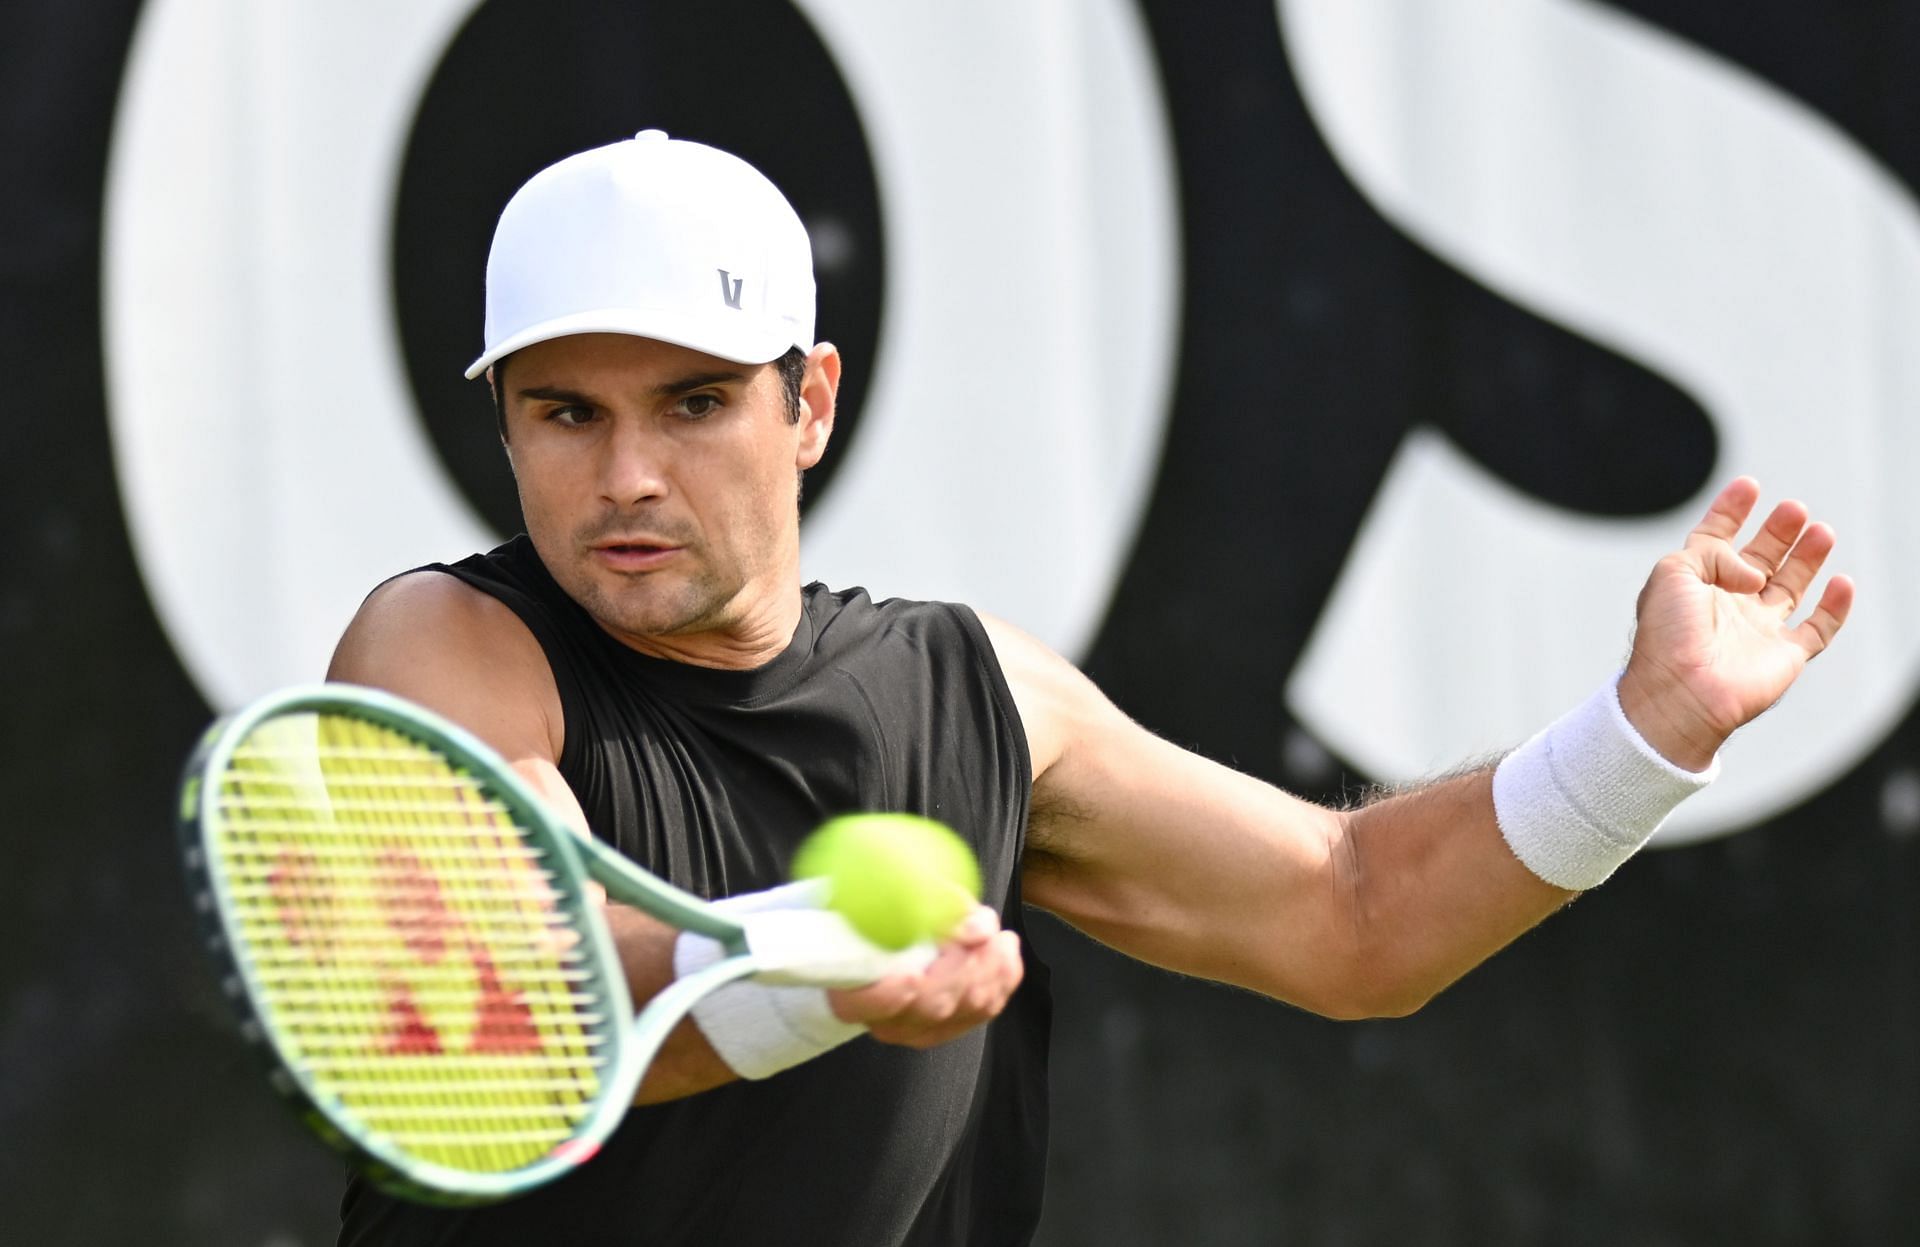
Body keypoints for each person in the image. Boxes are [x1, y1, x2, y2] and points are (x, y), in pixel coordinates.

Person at [328, 131, 1853, 1246]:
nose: (630, 475)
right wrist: (814, 974)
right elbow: (494, 1025)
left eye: (696, 402)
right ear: (507, 429)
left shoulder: (978, 696)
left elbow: (1356, 914)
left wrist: (1647, 735)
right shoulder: (441, 652)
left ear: (809, 403)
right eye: (565, 413)